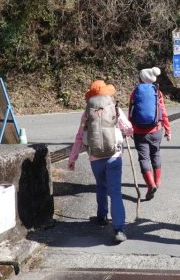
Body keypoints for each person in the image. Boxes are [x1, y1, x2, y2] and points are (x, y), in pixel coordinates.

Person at [68, 79, 133, 244]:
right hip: (114, 155)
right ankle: (119, 229)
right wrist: (125, 132)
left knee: (101, 186)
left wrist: (73, 158)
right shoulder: (114, 108)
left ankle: (102, 216)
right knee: (115, 192)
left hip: (95, 157)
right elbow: (128, 128)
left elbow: (79, 137)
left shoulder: (87, 112)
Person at [128, 67, 171, 200]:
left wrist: (130, 128)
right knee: (155, 154)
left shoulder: (135, 92)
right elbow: (162, 111)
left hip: (139, 131)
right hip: (156, 129)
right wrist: (168, 129)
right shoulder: (157, 92)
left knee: (144, 158)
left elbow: (131, 112)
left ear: (141, 78)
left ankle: (150, 184)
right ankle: (157, 182)